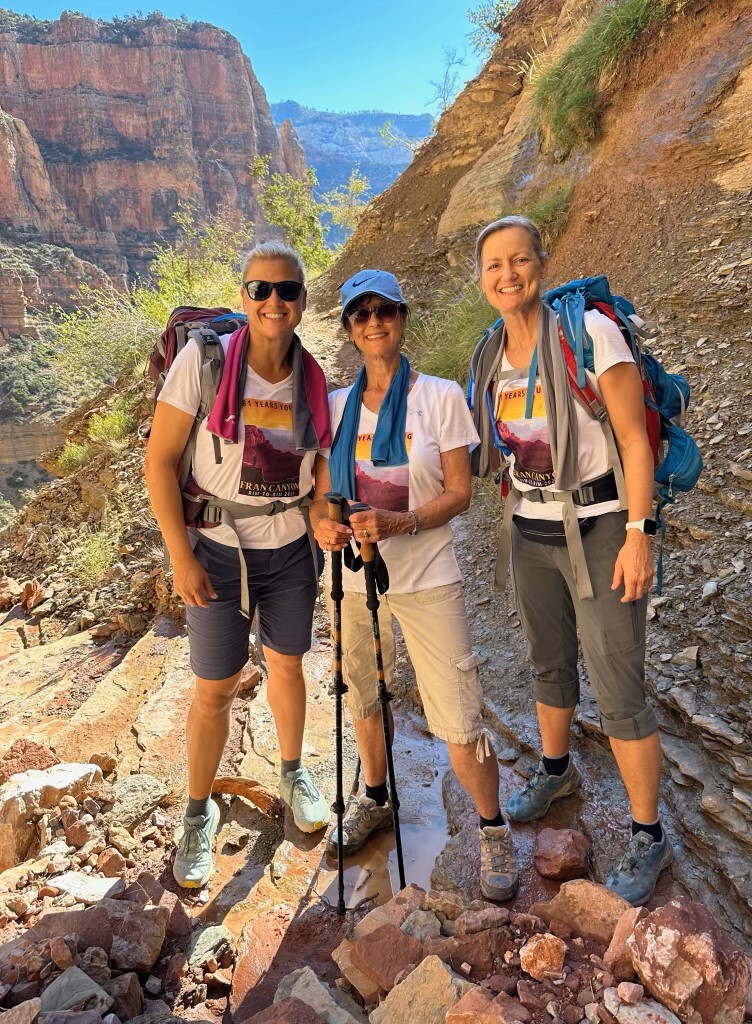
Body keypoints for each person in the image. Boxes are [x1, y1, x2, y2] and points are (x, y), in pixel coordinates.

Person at [469, 215, 672, 906]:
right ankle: (556, 771)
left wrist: (640, 533)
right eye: (494, 265)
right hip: (529, 529)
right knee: (548, 662)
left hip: (602, 526)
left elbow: (633, 443)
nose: (507, 275)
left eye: (518, 261)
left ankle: (648, 835)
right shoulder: (491, 353)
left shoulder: (589, 333)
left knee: (618, 686)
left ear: (541, 264)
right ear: (481, 278)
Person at [310, 269, 519, 901]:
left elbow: (460, 491)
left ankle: (492, 825)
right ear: (349, 329)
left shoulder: (439, 396)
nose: (374, 321)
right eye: (361, 313)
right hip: (351, 581)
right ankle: (375, 795)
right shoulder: (338, 408)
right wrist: (324, 526)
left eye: (385, 310)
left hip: (428, 580)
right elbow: (324, 497)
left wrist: (401, 520)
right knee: (365, 694)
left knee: (457, 709)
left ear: (403, 319)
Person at [145, 241, 332, 889]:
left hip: (289, 550)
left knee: (286, 665)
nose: (273, 302)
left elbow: (320, 467)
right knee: (214, 687)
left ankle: (292, 771)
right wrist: (179, 556)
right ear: (244, 294)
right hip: (217, 552)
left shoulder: (311, 375)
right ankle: (198, 813)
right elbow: (160, 463)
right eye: (260, 290)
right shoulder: (203, 362)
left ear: (303, 300)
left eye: (287, 291)